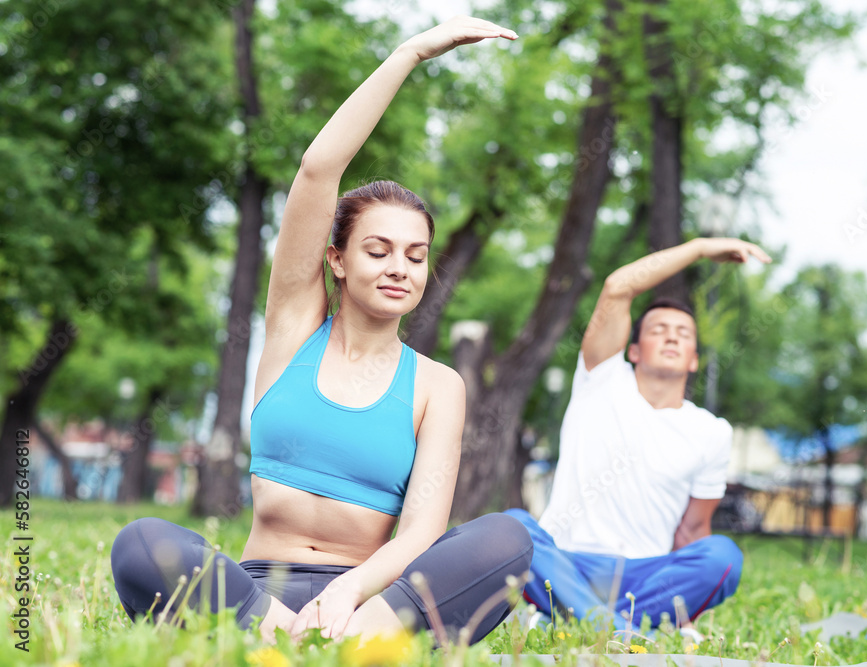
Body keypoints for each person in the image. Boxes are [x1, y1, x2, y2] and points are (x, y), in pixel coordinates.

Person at [111, 17, 532, 645]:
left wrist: (350, 592)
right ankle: (277, 636)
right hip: (255, 593)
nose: (399, 267)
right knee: (143, 543)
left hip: (365, 603)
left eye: (416, 256)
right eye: (379, 249)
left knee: (507, 539)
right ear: (337, 259)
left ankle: (345, 645)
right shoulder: (291, 328)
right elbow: (317, 170)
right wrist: (411, 53)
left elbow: (420, 533)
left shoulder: (438, 386)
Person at [506, 237, 771, 632]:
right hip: (567, 562)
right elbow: (618, 287)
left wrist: (685, 606)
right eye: (659, 329)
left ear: (694, 358)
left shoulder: (712, 431)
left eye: (684, 333)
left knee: (722, 555)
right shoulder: (602, 379)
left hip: (645, 576)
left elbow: (694, 530)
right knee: (512, 528)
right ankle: (620, 632)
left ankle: (587, 623)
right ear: (633, 350)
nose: (671, 336)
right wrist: (698, 248)